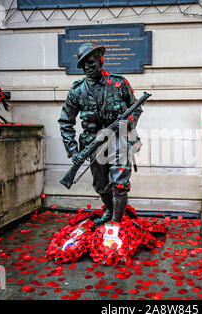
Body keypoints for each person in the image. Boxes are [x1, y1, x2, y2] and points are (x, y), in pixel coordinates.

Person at [58, 42, 143, 229]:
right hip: (94, 144)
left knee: (119, 184)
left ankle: (115, 224)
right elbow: (66, 122)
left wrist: (128, 122)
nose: (88, 67)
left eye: (91, 62)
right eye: (83, 64)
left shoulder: (119, 83)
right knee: (101, 185)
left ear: (100, 60)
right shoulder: (77, 90)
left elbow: (136, 108)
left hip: (120, 140)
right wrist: (73, 151)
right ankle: (109, 211)